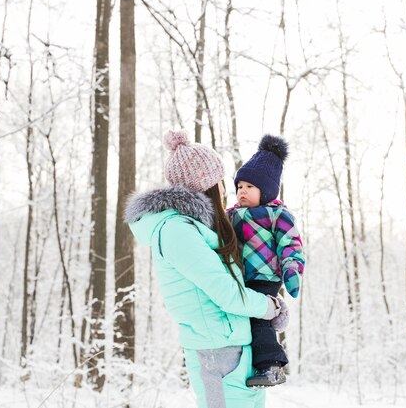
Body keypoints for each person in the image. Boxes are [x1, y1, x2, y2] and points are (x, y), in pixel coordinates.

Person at [125, 130, 288, 408]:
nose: (227, 190)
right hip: (218, 351)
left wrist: (270, 304)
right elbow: (225, 293)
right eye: (221, 182)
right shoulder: (177, 231)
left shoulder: (201, 229)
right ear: (210, 185)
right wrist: (268, 307)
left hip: (236, 348)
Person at [226, 135, 305, 388]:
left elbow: (291, 244)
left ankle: (272, 367)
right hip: (240, 277)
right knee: (243, 320)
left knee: (259, 319)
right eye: (239, 187)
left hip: (264, 276)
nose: (242, 191)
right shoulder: (233, 214)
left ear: (267, 190)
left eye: (249, 187)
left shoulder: (278, 214)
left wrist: (291, 271)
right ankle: (248, 363)